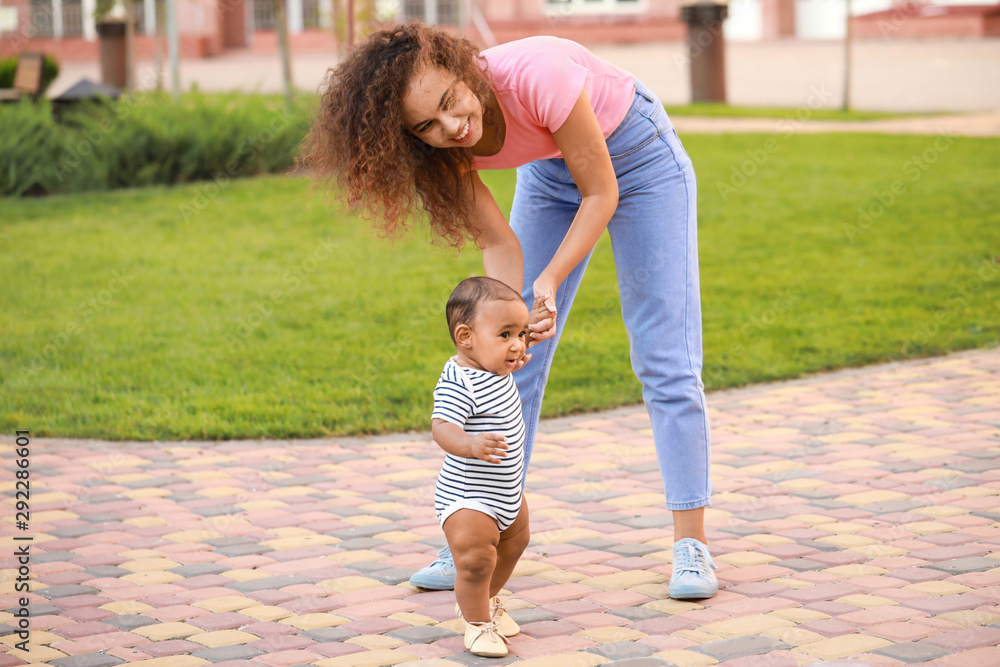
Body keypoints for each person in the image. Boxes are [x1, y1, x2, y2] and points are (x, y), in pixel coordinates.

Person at [300, 21, 717, 600]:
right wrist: (503, 329)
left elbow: (601, 192)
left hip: (640, 161)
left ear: (465, 69)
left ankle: (689, 544)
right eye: (427, 125)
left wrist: (547, 282)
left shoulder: (538, 73)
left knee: (663, 354)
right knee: (504, 365)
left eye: (450, 103)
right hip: (550, 176)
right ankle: (477, 535)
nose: (452, 127)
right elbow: (500, 246)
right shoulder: (434, 151)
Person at [430, 276, 532, 657]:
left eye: (521, 334)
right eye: (506, 334)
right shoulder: (460, 381)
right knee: (476, 560)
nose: (518, 345)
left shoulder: (496, 367)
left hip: (505, 493)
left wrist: (517, 337)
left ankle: (484, 601)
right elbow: (441, 427)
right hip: (468, 496)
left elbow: (514, 346)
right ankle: (475, 624)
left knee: (515, 543)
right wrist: (469, 444)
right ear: (465, 337)